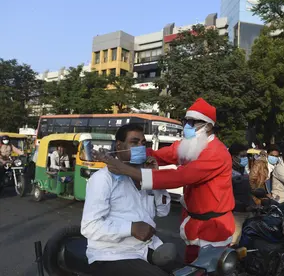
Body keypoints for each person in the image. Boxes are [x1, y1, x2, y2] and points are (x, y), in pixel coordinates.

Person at [94, 98, 235, 264]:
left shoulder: (216, 153)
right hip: (191, 223)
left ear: (208, 126)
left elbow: (179, 177)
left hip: (213, 227)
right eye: (185, 121)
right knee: (191, 264)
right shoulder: (189, 145)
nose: (186, 126)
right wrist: (121, 154)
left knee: (206, 268)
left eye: (192, 122)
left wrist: (125, 169)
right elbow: (160, 155)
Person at [81, 124, 170, 276]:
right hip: (114, 254)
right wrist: (131, 228)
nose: (140, 147)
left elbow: (163, 211)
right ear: (119, 146)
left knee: (188, 269)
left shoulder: (143, 176)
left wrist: (155, 178)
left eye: (143, 143)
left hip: (147, 248)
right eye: (134, 142)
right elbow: (89, 226)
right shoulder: (103, 179)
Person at [228, 143, 253, 245]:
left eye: (246, 156)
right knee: (233, 243)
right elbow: (226, 194)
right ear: (233, 157)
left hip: (247, 211)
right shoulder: (227, 172)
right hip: (235, 214)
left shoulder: (244, 170)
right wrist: (242, 205)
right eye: (242, 156)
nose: (245, 159)